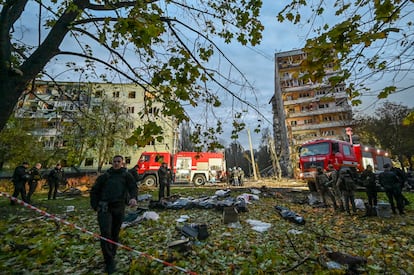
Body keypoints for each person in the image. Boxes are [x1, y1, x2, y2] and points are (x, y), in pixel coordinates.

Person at [90, 155, 138, 274]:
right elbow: (95, 190)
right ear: (112, 163)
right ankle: (109, 261)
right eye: (114, 161)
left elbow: (133, 187)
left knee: (114, 233)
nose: (116, 163)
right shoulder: (105, 176)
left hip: (119, 207)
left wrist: (133, 198)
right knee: (105, 233)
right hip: (104, 208)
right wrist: (95, 205)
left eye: (118, 161)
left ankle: (112, 255)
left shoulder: (126, 175)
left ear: (122, 163)